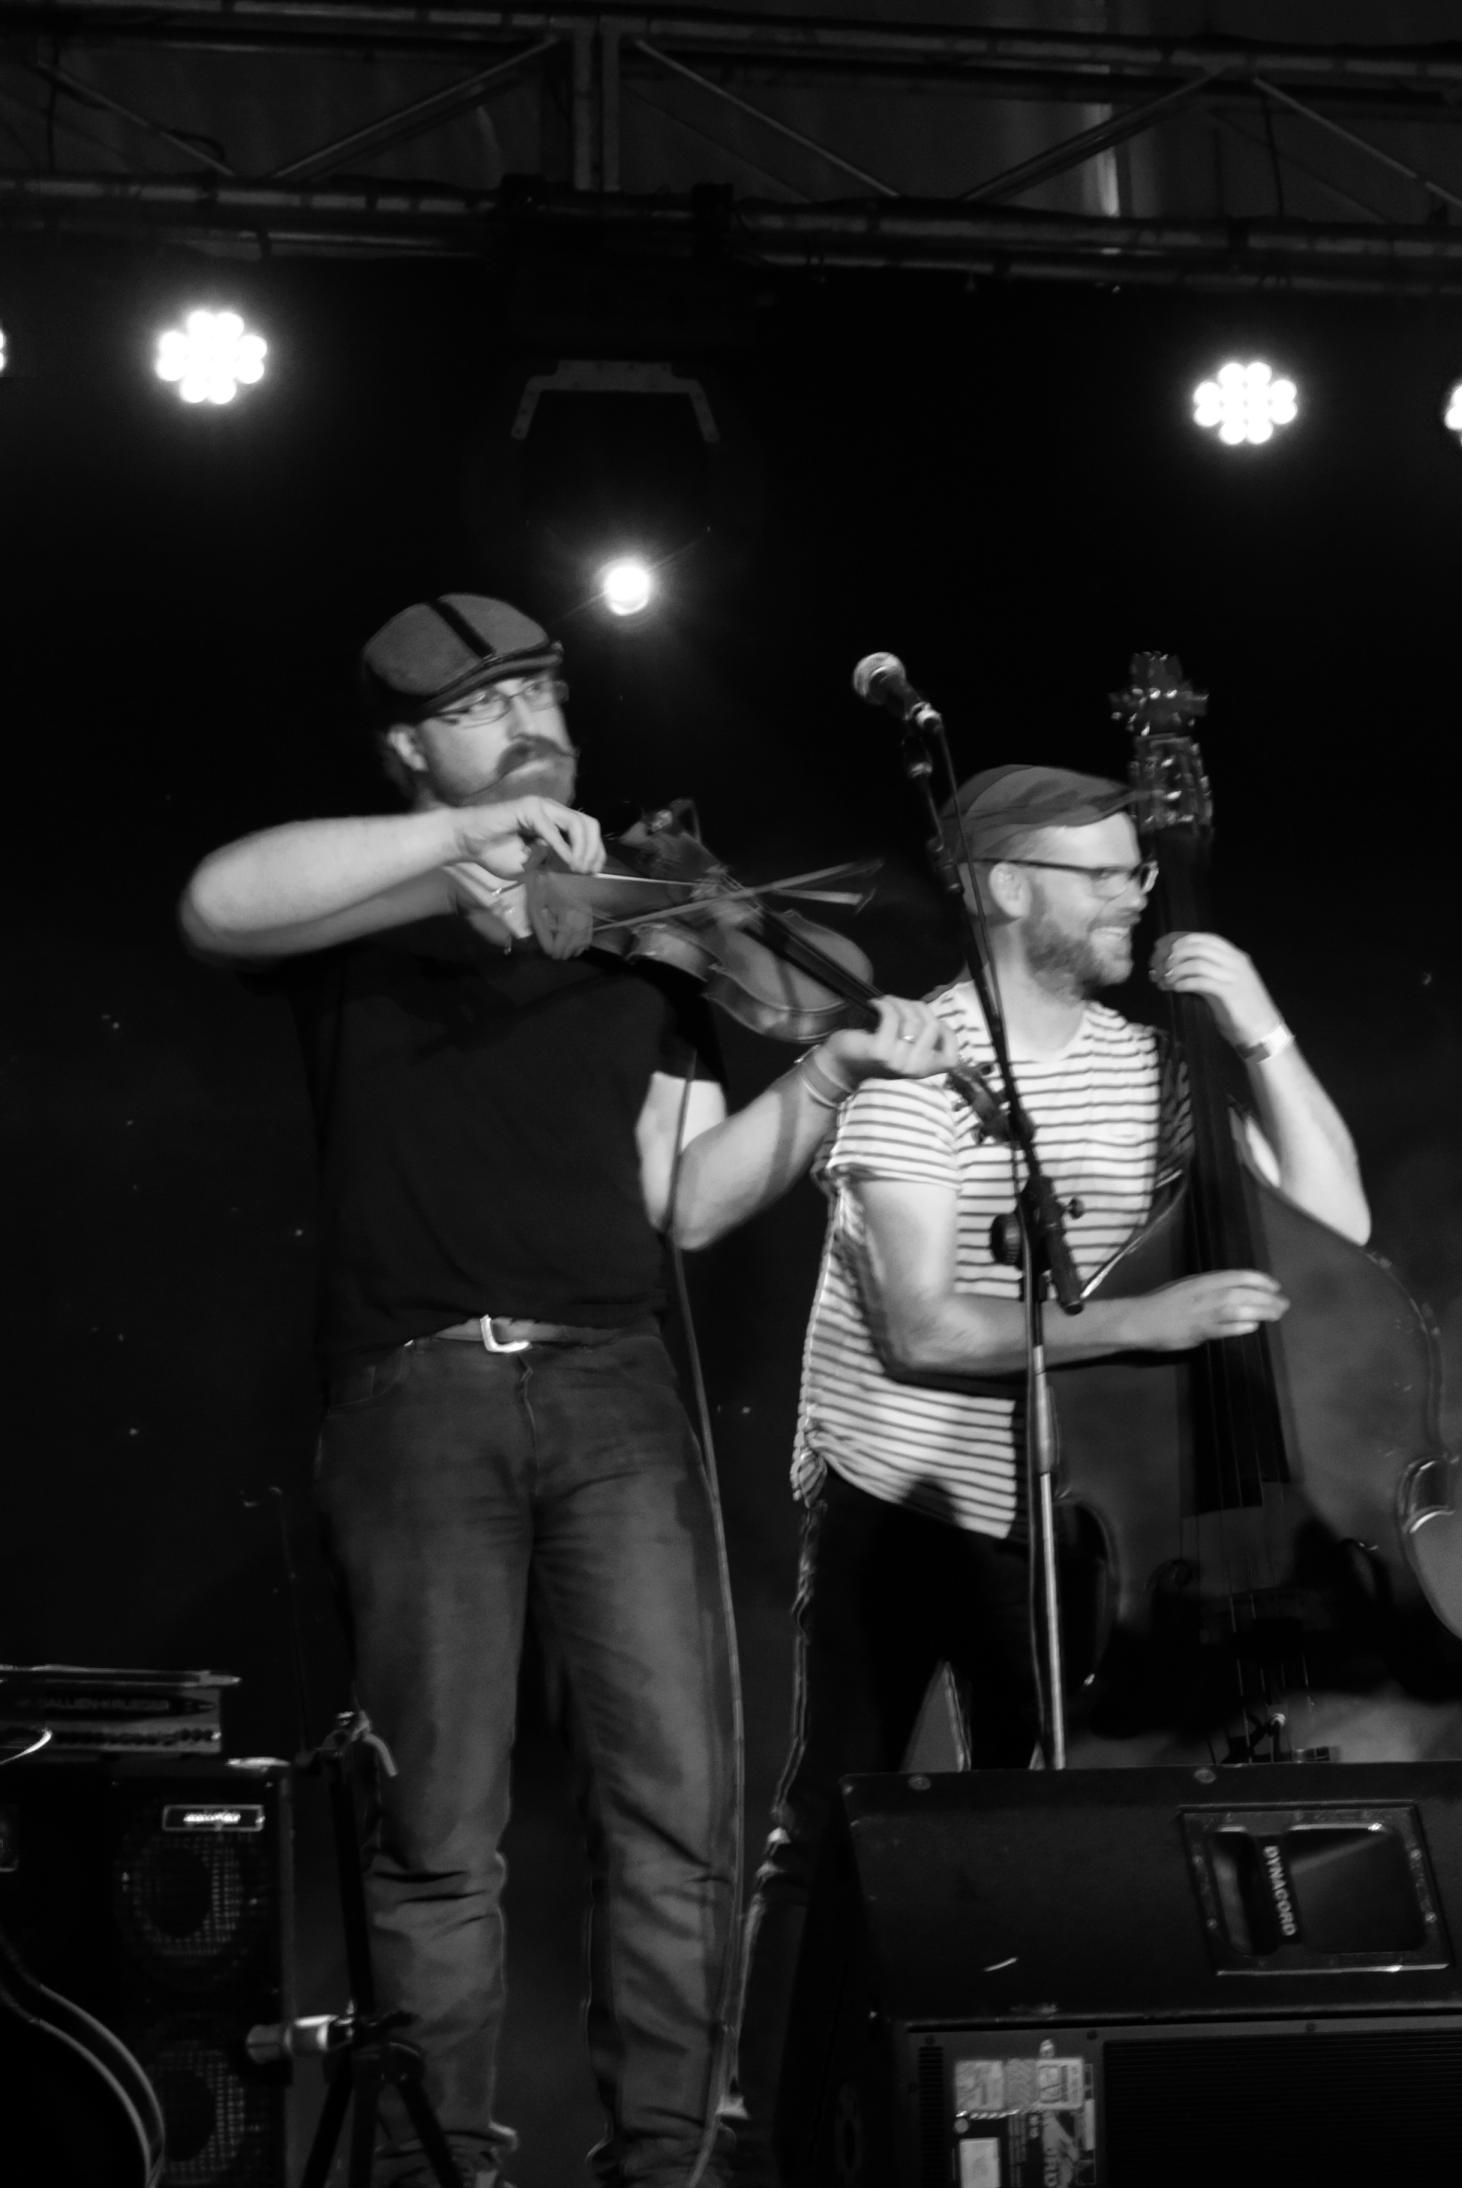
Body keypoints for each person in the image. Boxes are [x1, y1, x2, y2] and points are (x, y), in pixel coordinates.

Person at [177, 593, 950, 2188]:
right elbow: (217, 901)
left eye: (541, 691)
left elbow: (687, 1200)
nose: (528, 719)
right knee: (436, 1830)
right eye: (482, 706)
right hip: (418, 1392)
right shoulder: (364, 907)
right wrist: (469, 837)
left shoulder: (631, 934)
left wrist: (821, 1075)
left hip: (616, 1390)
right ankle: (436, 2169)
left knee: (676, 1811)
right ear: (411, 751)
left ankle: (669, 2166)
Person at [724, 762, 1371, 2183]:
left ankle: (1021, 2146)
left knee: (1053, 1832)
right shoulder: (917, 1065)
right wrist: (1146, 1321)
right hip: (902, 1493)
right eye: (1109, 873)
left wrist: (1260, 1029)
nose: (1140, 892)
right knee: (832, 1824)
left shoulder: (1157, 1068)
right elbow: (922, 1327)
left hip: (1074, 1511)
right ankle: (760, 2144)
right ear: (1011, 886)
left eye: (1141, 868)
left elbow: (1337, 1224)